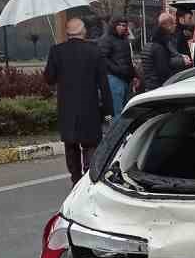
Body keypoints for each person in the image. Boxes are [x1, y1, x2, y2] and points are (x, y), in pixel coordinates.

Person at [44, 17, 110, 185]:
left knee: (71, 145)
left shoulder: (56, 51)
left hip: (67, 107)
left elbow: (49, 79)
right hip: (90, 106)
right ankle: (88, 180)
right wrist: (108, 110)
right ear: (83, 31)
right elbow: (103, 83)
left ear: (67, 33)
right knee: (90, 144)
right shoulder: (95, 51)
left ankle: (75, 179)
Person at [96, 17, 137, 118]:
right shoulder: (106, 39)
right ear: (114, 26)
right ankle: (116, 133)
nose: (124, 28)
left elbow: (128, 60)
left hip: (126, 79)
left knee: (126, 111)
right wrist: (117, 69)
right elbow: (102, 59)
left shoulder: (124, 40)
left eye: (125, 25)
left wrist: (134, 75)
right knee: (116, 112)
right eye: (121, 25)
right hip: (114, 79)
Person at [141, 11, 184, 90]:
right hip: (157, 88)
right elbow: (163, 70)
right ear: (166, 25)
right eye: (173, 23)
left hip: (150, 86)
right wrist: (181, 61)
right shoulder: (160, 46)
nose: (175, 25)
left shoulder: (152, 41)